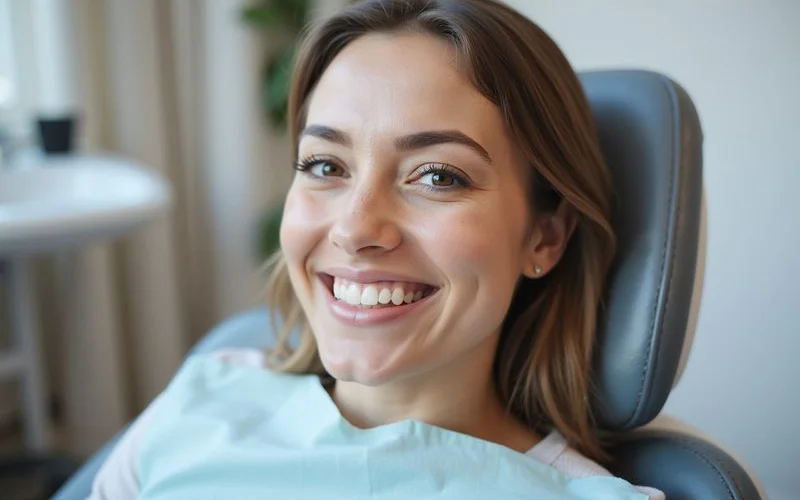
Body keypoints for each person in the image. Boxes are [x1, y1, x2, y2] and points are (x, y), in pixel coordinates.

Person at [88, 0, 665, 498]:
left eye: (437, 176)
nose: (355, 228)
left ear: (544, 237)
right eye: (325, 166)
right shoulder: (201, 399)